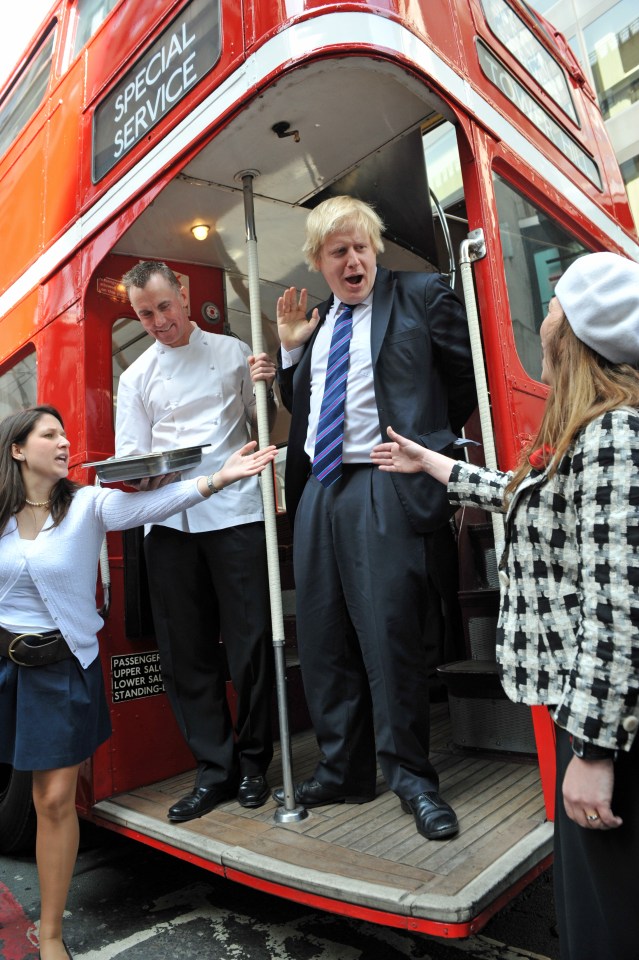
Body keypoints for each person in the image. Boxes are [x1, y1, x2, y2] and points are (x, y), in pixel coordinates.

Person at [371, 251, 639, 959]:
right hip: (597, 721)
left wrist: (595, 751)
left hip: (610, 735)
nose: (540, 316)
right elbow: (520, 495)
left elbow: (617, 609)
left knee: (606, 923)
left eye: (551, 305)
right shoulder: (593, 432)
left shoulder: (612, 437)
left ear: (575, 333)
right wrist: (433, 464)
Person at [0, 405, 276, 960]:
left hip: (59, 670)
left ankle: (50, 935)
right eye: (49, 434)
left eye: (64, 432)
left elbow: (157, 503)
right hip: (5, 668)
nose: (63, 442)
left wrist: (217, 478)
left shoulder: (87, 504)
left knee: (53, 799)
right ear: (17, 449)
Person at [273, 196, 476, 840]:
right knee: (325, 638)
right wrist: (286, 353)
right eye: (339, 252)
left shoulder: (422, 294)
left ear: (376, 248)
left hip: (383, 480)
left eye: (361, 246)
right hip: (319, 491)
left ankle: (411, 777)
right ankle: (344, 769)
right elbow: (301, 409)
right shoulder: (321, 322)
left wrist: (430, 449)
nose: (353, 259)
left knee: (389, 636)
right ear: (319, 263)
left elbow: (465, 378)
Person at [115, 261, 278, 821]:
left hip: (234, 514)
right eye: (145, 313)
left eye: (164, 306)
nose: (159, 321)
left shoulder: (234, 353)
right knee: (185, 657)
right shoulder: (135, 377)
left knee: (251, 644)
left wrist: (269, 384)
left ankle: (256, 763)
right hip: (169, 524)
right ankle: (216, 771)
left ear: (182, 294)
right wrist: (142, 476)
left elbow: (267, 427)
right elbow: (132, 457)